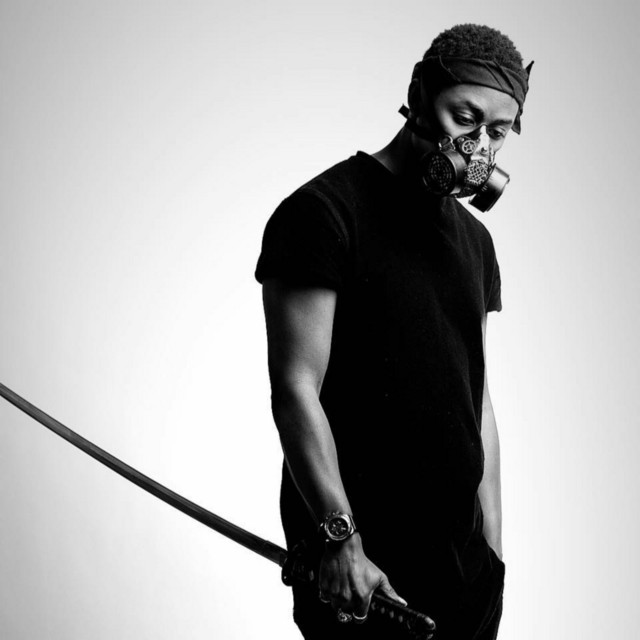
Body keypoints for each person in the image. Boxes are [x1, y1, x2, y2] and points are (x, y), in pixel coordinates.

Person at [255, 24, 532, 640]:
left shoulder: (477, 243)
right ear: (418, 95)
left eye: (497, 132)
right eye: (466, 118)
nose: (478, 147)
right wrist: (340, 540)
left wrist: (494, 557)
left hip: (465, 578)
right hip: (363, 575)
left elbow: (478, 402)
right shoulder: (323, 213)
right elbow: (295, 389)